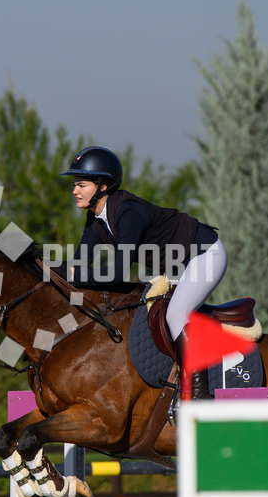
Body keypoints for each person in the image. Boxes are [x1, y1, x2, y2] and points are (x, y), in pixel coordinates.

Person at [60, 145, 227, 399]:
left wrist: (76, 275)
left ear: (103, 186)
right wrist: (43, 267)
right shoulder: (95, 220)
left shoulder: (128, 212)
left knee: (176, 314)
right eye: (75, 185)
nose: (75, 191)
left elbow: (118, 273)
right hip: (177, 266)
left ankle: (198, 394)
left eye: (81, 185)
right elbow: (79, 264)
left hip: (204, 255)